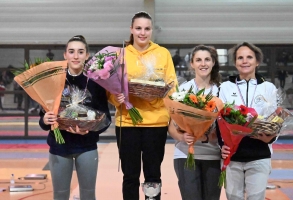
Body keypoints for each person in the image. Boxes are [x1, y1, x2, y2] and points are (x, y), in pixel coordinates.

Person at [108, 11, 177, 200]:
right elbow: (110, 90)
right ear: (131, 29)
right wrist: (117, 98)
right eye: (138, 28)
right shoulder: (119, 54)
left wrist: (157, 93)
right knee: (130, 175)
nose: (142, 33)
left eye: (147, 29)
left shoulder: (162, 54)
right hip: (127, 123)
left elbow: (172, 86)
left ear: (152, 31)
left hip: (156, 124)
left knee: (153, 175)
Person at [38, 35, 111, 200]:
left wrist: (89, 130)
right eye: (71, 51)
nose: (76, 56)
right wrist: (46, 120)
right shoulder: (53, 80)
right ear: (65, 55)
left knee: (88, 195)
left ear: (87, 55)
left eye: (80, 52)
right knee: (60, 195)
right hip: (59, 147)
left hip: (86, 146)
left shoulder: (96, 82)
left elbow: (105, 119)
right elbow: (43, 119)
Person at [218, 42, 278, 200]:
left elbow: (275, 120)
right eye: (240, 58)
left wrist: (272, 137)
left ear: (257, 61)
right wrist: (221, 145)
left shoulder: (269, 87)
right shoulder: (225, 87)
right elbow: (219, 120)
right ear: (235, 62)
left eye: (249, 57)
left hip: (259, 154)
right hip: (232, 155)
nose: (244, 61)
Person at [168, 45, 222, 200]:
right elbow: (171, 126)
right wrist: (182, 138)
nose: (203, 64)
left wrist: (211, 135)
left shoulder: (221, 91)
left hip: (213, 155)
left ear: (213, 63)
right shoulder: (183, 90)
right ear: (192, 64)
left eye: (207, 60)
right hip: (186, 154)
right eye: (198, 60)